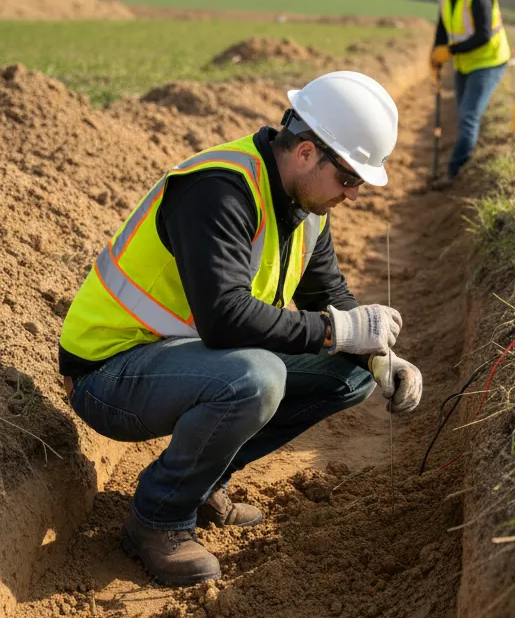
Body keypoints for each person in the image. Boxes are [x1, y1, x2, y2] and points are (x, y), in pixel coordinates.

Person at [59, 71, 423, 587]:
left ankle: (203, 480)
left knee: (351, 374)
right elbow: (226, 318)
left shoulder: (307, 206)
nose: (354, 193)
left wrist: (377, 354)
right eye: (348, 178)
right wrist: (338, 330)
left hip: (185, 360)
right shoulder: (219, 189)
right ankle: (158, 518)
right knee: (256, 377)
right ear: (304, 152)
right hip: (110, 371)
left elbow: (328, 297)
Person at [422, 0, 511, 188]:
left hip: (488, 62)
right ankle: (458, 166)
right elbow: (443, 27)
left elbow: (483, 35)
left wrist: (450, 51)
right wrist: (435, 53)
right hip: (465, 63)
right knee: (463, 114)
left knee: (468, 117)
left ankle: (456, 172)